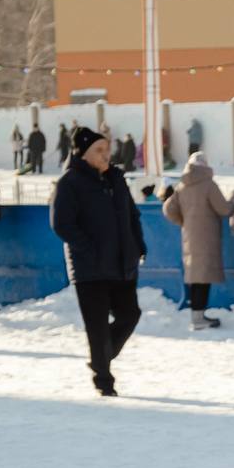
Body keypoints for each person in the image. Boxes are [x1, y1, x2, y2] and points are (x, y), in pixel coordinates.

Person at [50, 128, 145, 398]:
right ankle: (104, 380)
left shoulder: (116, 179)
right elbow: (61, 224)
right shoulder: (69, 183)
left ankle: (101, 357)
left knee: (130, 315)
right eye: (99, 150)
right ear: (83, 153)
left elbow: (132, 215)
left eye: (107, 148)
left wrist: (138, 245)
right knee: (97, 326)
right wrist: (89, 250)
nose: (106, 154)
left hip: (121, 263)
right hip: (89, 269)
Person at [162, 152, 234, 331]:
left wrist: (184, 221)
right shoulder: (208, 185)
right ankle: (198, 319)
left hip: (189, 235)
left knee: (196, 276)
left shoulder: (182, 186)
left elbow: (167, 209)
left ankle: (196, 316)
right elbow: (223, 209)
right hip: (207, 235)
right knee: (203, 277)